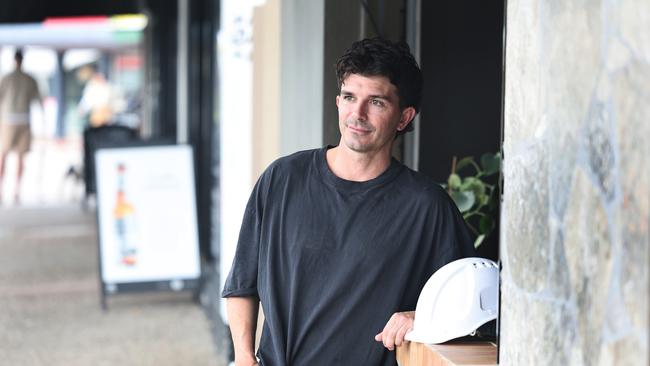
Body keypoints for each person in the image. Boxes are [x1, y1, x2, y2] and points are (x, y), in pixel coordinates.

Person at [222, 38, 475, 366]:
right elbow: (243, 282)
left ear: (403, 118)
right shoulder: (282, 180)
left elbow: (472, 307)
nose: (358, 113)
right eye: (350, 97)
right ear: (338, 101)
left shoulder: (426, 206)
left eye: (377, 102)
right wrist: (243, 357)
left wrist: (424, 318)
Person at [0, 49, 42, 204]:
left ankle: (9, 189)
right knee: (18, 156)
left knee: (6, 155)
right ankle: (15, 190)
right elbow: (38, 99)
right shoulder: (28, 79)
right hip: (22, 119)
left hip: (9, 119)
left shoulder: (7, 78)